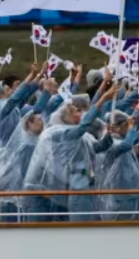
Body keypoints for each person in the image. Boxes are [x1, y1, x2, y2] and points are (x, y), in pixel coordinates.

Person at [21, 84, 119, 222]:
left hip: (84, 185)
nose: (82, 113)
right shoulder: (61, 133)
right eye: (77, 111)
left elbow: (98, 147)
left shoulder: (82, 135)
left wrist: (109, 135)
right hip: (73, 187)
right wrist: (103, 98)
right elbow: (84, 125)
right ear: (68, 115)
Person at [0, 111, 45, 222]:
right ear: (30, 123)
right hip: (21, 191)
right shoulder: (28, 144)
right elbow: (27, 172)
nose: (42, 123)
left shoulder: (33, 141)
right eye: (39, 120)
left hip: (19, 191)